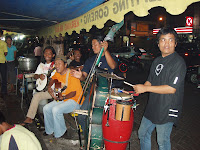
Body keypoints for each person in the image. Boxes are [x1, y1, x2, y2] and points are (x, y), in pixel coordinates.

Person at [133, 27, 186, 150]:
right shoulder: (156, 61)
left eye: (170, 40)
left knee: (162, 141)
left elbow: (171, 89)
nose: (166, 44)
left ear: (175, 43)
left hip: (167, 108)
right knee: (142, 133)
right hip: (153, 106)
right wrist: (138, 89)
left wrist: (145, 89)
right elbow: (150, 81)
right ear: (158, 44)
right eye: (163, 40)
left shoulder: (178, 62)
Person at [71, 35, 117, 132]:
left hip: (107, 92)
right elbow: (84, 75)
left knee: (103, 119)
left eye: (95, 44)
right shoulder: (90, 60)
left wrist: (105, 50)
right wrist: (80, 76)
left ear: (102, 44)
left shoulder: (110, 56)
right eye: (92, 45)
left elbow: (112, 66)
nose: (92, 47)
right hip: (93, 91)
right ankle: (88, 136)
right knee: (81, 116)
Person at [43, 55, 85, 138]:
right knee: (46, 108)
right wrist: (49, 88)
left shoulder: (72, 74)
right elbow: (53, 80)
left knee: (56, 109)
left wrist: (62, 98)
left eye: (59, 63)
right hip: (64, 99)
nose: (57, 66)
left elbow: (73, 93)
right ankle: (50, 130)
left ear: (65, 65)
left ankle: (61, 132)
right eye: (55, 63)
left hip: (75, 101)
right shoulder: (58, 73)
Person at [21, 46, 56, 125]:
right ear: (43, 54)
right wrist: (39, 76)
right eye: (45, 53)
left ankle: (31, 118)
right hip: (42, 89)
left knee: (37, 96)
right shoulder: (41, 65)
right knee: (36, 95)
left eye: (49, 54)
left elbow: (57, 79)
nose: (47, 55)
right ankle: (30, 118)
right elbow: (35, 75)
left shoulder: (55, 66)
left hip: (52, 90)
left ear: (53, 55)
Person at [0, 30, 8, 98]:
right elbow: (5, 53)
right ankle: (3, 91)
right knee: (3, 77)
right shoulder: (3, 43)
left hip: (2, 62)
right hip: (2, 61)